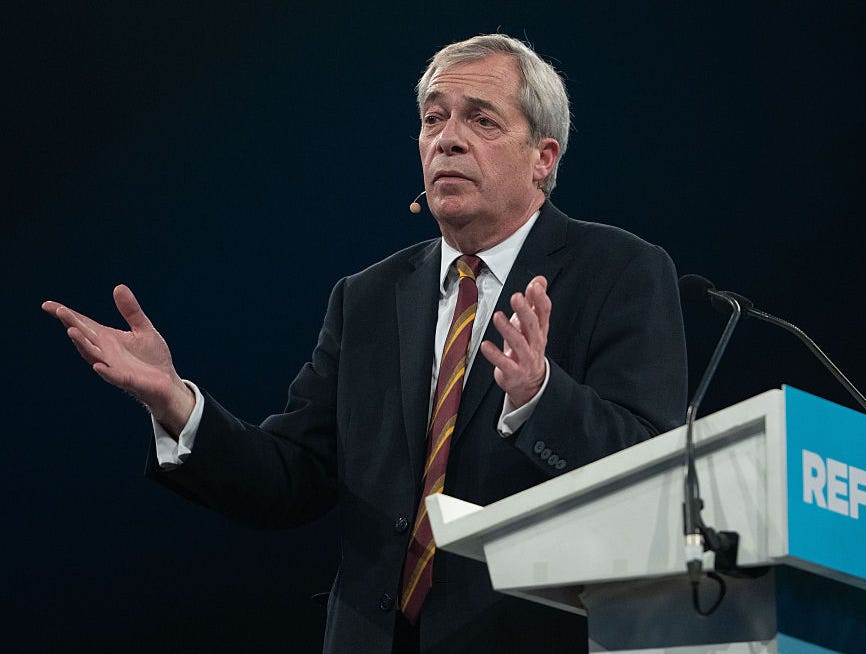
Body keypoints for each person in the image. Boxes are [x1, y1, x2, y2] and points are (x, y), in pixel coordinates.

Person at [42, 34, 687, 654]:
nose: (447, 138)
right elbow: (289, 477)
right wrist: (176, 405)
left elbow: (653, 475)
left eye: (481, 120)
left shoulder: (619, 272)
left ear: (543, 157)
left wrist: (541, 398)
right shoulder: (369, 298)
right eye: (433, 119)